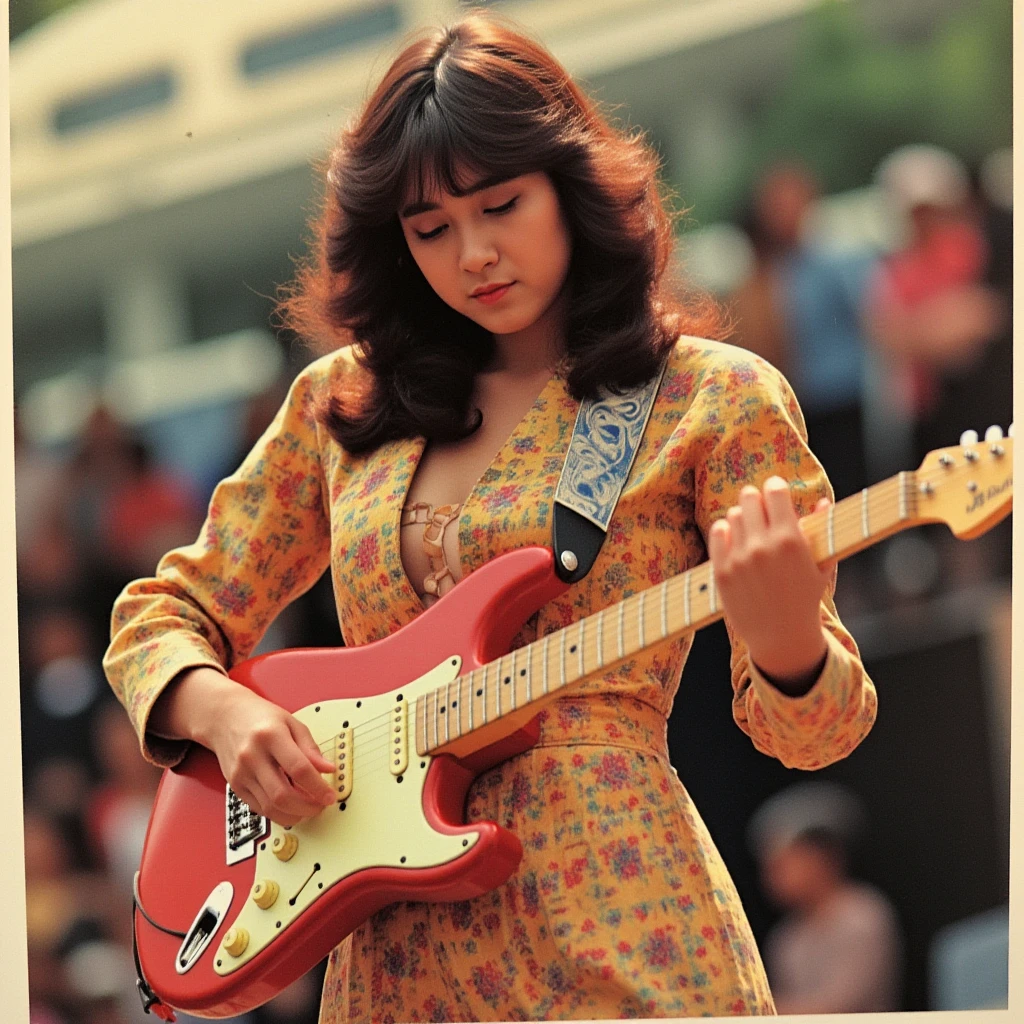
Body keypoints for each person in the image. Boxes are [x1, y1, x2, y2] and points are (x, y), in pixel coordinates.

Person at [103, 14, 877, 1022]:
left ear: (571, 184)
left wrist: (781, 644)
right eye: (431, 230)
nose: (473, 254)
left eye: (500, 205)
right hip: (389, 956)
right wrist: (226, 714)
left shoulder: (707, 399)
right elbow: (160, 614)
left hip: (619, 924)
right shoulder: (341, 409)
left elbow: (820, 730)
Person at [748, 782, 902, 1014]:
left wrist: (756, 1010)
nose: (770, 876)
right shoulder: (786, 938)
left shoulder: (863, 915)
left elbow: (840, 1007)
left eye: (783, 863)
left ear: (822, 857)